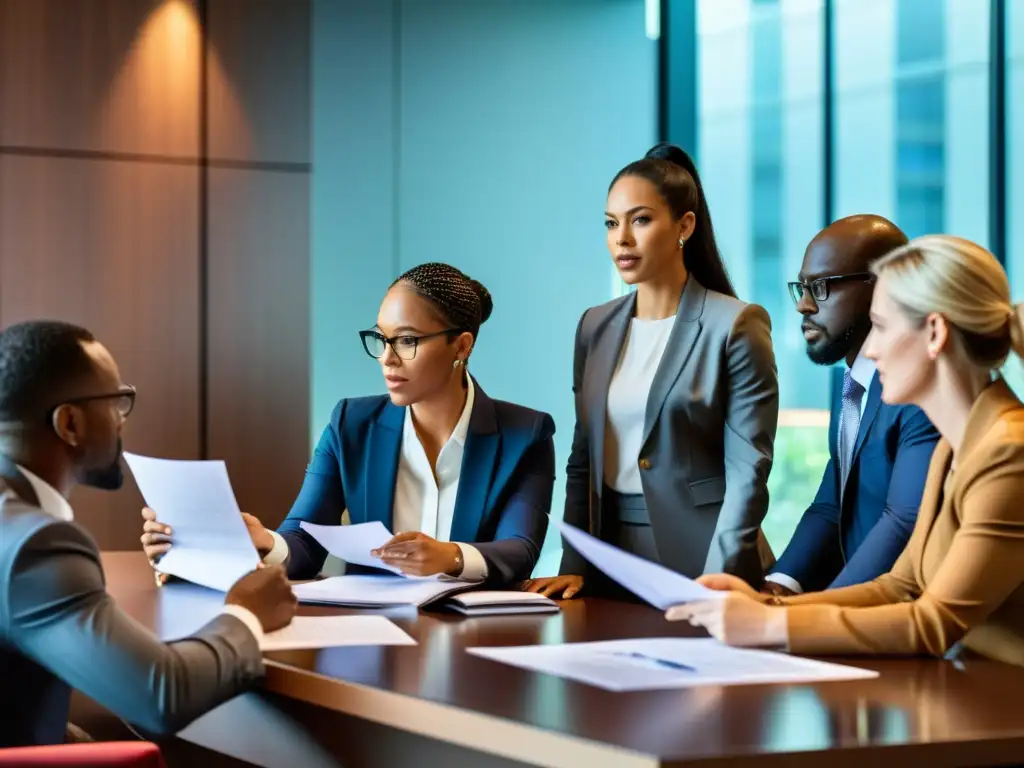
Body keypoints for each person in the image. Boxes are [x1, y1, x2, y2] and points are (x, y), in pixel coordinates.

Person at [670, 235, 1024, 666]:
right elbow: (900, 585)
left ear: (934, 333)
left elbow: (933, 623)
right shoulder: (956, 444)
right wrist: (766, 606)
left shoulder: (1008, 451)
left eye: (882, 327)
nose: (870, 350)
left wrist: (768, 627)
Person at [143, 263, 555, 586]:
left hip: (479, 642)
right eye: (382, 338)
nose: (387, 358)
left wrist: (450, 556)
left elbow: (519, 549)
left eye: (407, 341)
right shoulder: (350, 423)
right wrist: (262, 540)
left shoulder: (525, 434)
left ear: (461, 345)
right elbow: (304, 544)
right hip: (374, 638)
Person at [0, 321, 296, 747]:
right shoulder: (34, 544)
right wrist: (246, 613)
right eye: (117, 402)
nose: (122, 421)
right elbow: (162, 694)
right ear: (70, 423)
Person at [524, 143, 778, 600]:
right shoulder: (594, 326)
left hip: (705, 557)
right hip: (609, 561)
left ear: (685, 226)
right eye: (610, 223)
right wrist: (574, 561)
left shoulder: (735, 323)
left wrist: (721, 576)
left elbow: (748, 469)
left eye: (640, 220)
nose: (622, 238)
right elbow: (583, 456)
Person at [764, 215, 939, 596]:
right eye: (803, 288)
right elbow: (833, 504)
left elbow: (903, 522)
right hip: (856, 607)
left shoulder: (918, 388)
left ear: (883, 289)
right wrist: (776, 588)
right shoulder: (850, 381)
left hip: (903, 617)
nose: (804, 305)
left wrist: (814, 612)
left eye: (822, 287)